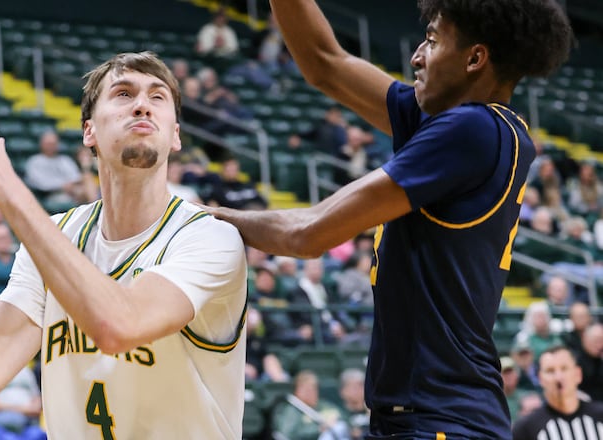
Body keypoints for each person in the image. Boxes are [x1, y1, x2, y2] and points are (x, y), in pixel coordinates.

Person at [206, 0, 574, 437]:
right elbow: (325, 62)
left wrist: (201, 217)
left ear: (475, 58)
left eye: (433, 41)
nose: (417, 55)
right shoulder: (478, 128)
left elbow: (307, 233)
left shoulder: (471, 131)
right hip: (433, 416)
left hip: (440, 419)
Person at [0, 51, 247, 439]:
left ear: (176, 134)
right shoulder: (57, 236)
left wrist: (8, 189)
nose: (142, 105)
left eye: (157, 96)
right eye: (124, 94)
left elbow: (119, 325)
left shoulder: (208, 237)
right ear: (88, 130)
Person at [512, 346, 603, 439]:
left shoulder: (600, 416)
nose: (558, 377)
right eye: (550, 371)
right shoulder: (525, 429)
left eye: (564, 368)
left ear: (578, 374)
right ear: (540, 379)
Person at [271, 370, 350, 440]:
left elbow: (345, 420)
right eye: (306, 389)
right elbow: (287, 435)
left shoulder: (325, 406)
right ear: (297, 391)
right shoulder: (292, 410)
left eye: (313, 388)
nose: (310, 393)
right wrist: (318, 430)